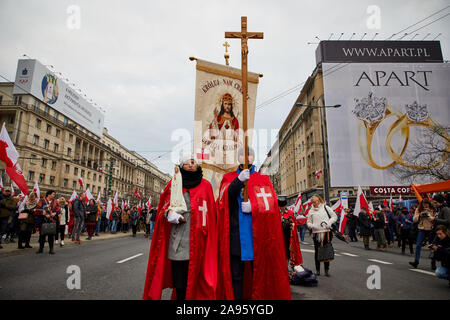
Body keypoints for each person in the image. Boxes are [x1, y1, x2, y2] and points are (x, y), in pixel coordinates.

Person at [216, 147, 291, 300]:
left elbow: (272, 205)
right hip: (235, 235)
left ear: (253, 158)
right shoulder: (228, 178)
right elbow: (223, 201)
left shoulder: (263, 179)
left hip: (257, 236)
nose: (246, 157)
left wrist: (254, 207)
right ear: (238, 158)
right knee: (236, 275)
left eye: (249, 154)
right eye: (242, 154)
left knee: (259, 274)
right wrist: (238, 181)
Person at [143, 154, 217, 300]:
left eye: (193, 162)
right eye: (186, 163)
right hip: (179, 241)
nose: (190, 164)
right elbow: (164, 207)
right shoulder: (174, 183)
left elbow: (212, 213)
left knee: (200, 280)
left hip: (201, 240)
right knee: (181, 283)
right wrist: (169, 214)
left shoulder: (206, 185)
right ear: (181, 166)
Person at [307, 194, 338, 277]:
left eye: (315, 202)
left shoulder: (326, 208)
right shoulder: (311, 211)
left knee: (326, 250)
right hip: (316, 233)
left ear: (319, 200)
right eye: (312, 202)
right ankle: (317, 270)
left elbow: (334, 216)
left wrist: (329, 223)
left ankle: (326, 270)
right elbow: (308, 222)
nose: (314, 204)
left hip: (326, 232)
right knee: (317, 252)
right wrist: (311, 226)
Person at [409, 199, 436, 268]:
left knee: (432, 245)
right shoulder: (418, 209)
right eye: (424, 204)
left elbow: (435, 218)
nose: (425, 205)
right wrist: (419, 215)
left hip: (430, 229)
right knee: (418, 245)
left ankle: (433, 262)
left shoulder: (433, 209)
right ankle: (416, 261)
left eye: (426, 204)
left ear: (429, 204)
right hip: (422, 228)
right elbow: (414, 219)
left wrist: (428, 216)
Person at [278, 196, 303, 269]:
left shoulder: (290, 213)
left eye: (282, 206)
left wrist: (291, 224)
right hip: (279, 236)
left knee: (287, 252)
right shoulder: (276, 213)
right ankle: (281, 267)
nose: (281, 208)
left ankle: (286, 267)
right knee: (280, 253)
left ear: (285, 206)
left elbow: (293, 224)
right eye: (280, 206)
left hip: (288, 236)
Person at [35, 190, 60, 254]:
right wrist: (44, 214)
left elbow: (58, 209)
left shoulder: (55, 201)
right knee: (42, 235)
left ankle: (51, 249)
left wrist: (55, 213)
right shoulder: (42, 200)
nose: (54, 195)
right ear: (49, 194)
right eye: (53, 194)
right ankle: (41, 248)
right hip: (43, 220)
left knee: (51, 235)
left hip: (52, 220)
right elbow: (38, 208)